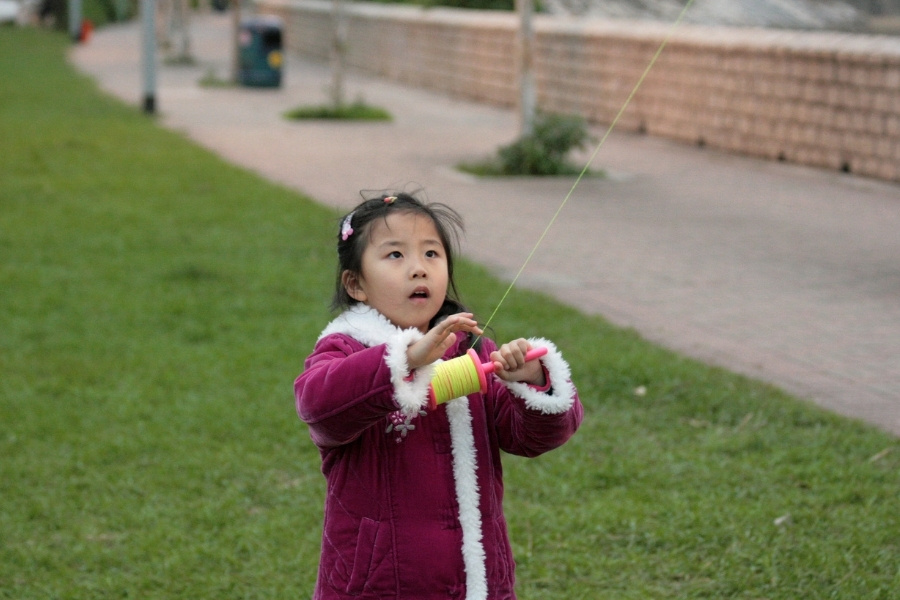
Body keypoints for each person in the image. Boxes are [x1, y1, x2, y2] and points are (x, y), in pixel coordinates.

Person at [294, 191, 583, 600]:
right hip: (377, 585)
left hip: (477, 580)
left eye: (432, 254)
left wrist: (531, 382)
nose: (419, 269)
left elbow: (529, 438)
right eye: (396, 255)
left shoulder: (469, 348)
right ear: (355, 284)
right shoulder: (346, 349)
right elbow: (318, 408)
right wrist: (406, 360)